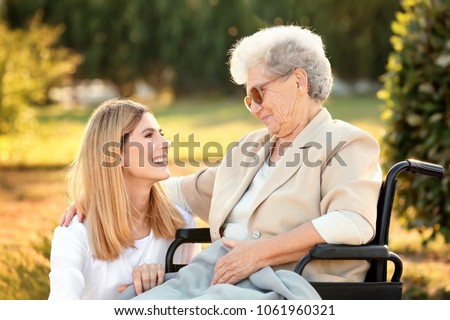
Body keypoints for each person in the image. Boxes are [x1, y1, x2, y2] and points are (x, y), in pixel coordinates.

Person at [62, 25, 382, 298]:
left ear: (299, 82)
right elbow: (179, 192)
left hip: (290, 284)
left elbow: (351, 221)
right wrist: (99, 195)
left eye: (260, 93)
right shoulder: (251, 147)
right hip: (218, 278)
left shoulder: (345, 142)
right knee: (128, 305)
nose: (254, 109)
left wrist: (259, 253)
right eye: (248, 99)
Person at [49, 98, 199, 299]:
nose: (165, 143)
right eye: (149, 136)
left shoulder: (181, 223)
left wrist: (163, 286)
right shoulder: (75, 233)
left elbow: (195, 299)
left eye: (161, 134)